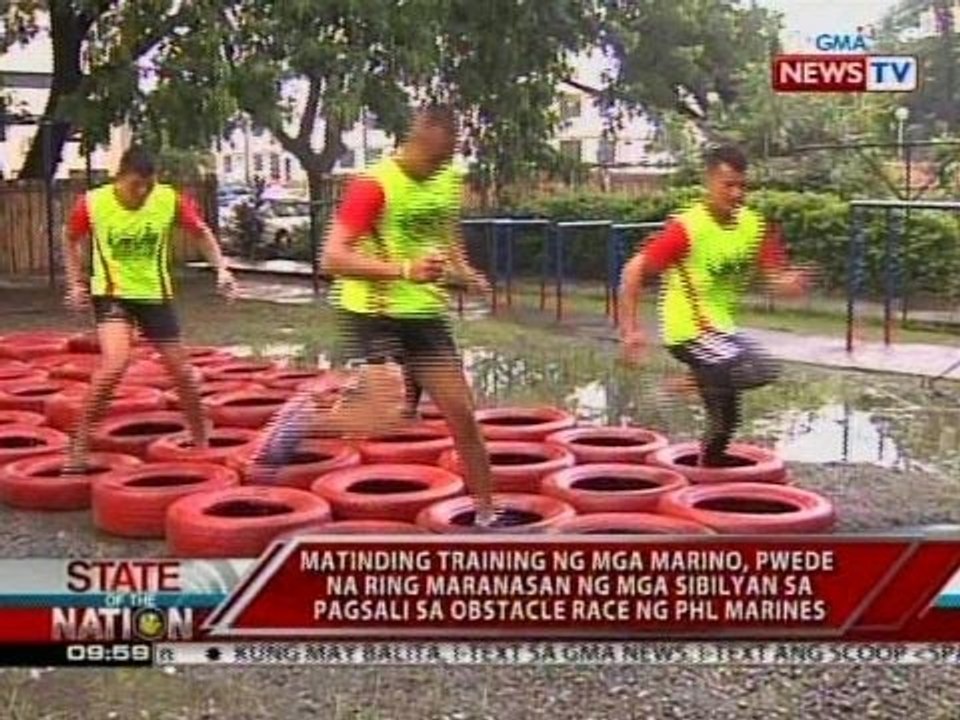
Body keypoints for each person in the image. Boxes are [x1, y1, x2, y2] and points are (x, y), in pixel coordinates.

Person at [320, 104, 497, 524]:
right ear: (417, 138)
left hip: (422, 311)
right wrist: (404, 270)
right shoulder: (374, 185)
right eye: (435, 157)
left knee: (462, 413)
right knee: (387, 408)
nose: (441, 167)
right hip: (373, 309)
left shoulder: (445, 178)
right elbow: (332, 258)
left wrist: (463, 269)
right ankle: (307, 417)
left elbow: (445, 226)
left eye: (448, 158)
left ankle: (488, 516)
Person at [619, 144, 811, 467]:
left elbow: (775, 278)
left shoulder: (755, 226)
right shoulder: (687, 228)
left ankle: (706, 470)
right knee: (760, 367)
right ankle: (700, 379)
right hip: (688, 332)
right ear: (709, 182)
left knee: (725, 422)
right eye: (728, 185)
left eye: (742, 186)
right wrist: (630, 330)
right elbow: (633, 270)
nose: (736, 193)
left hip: (722, 332)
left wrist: (789, 284)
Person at [62, 146, 237, 472]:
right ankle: (80, 443)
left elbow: (201, 233)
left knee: (182, 372)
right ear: (119, 177)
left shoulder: (168, 199)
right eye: (135, 185)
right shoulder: (94, 203)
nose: (142, 192)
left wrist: (222, 270)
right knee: (115, 365)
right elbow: (70, 237)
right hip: (113, 294)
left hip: (155, 295)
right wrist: (75, 283)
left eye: (148, 185)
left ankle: (201, 441)